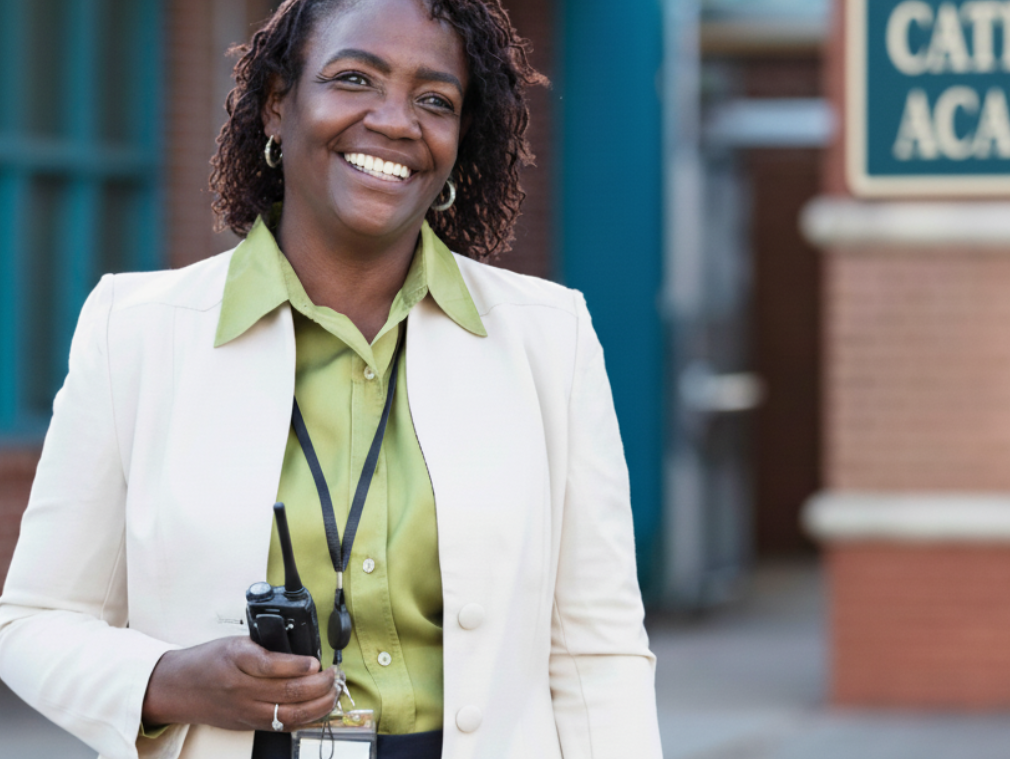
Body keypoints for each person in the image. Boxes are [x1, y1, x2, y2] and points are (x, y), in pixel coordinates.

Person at [0, 0, 661, 757]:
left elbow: (597, 649)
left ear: (459, 139)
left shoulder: (551, 337)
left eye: (435, 100)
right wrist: (169, 678)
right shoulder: (136, 331)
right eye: (354, 79)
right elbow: (32, 619)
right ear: (280, 104)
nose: (395, 121)